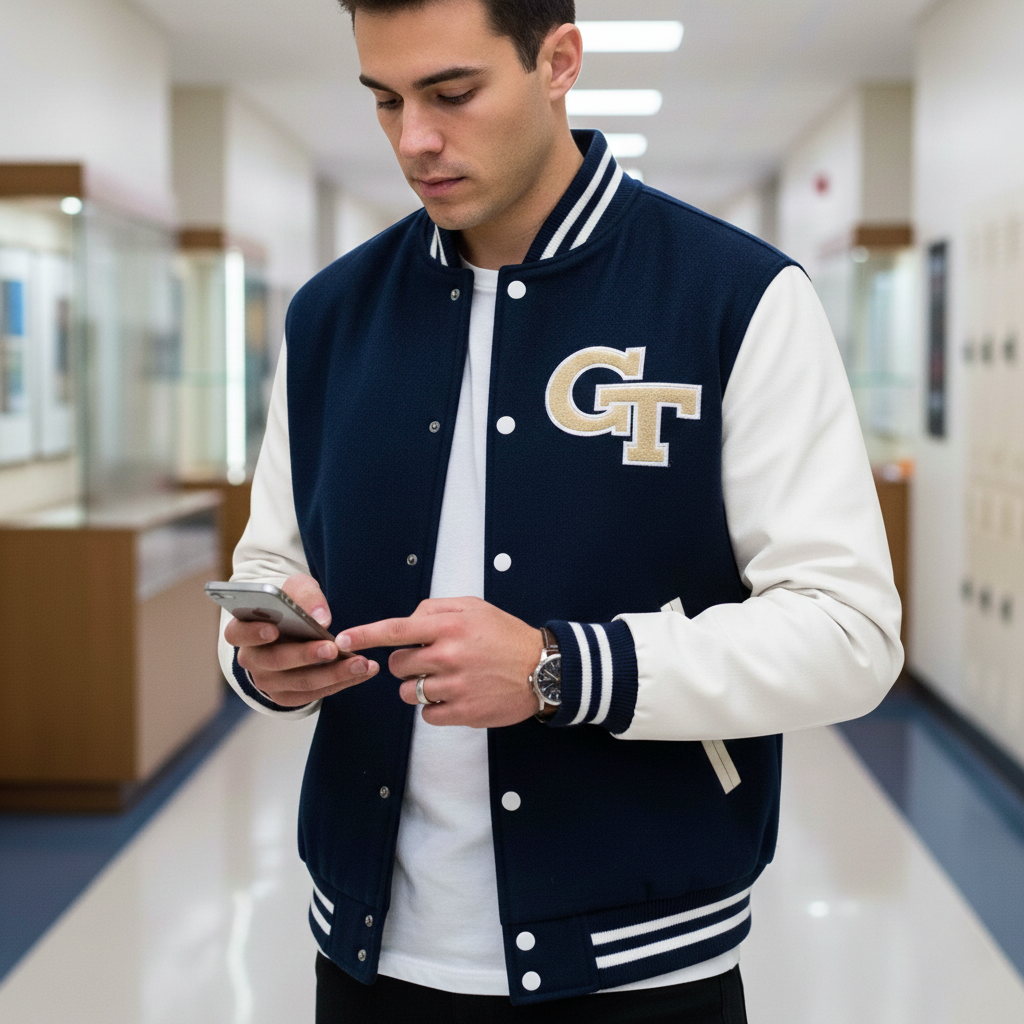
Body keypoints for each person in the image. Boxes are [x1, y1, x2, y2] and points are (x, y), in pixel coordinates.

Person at [219, 1, 903, 1020]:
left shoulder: (734, 297)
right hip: (370, 957)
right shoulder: (331, 316)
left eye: (452, 93)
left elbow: (850, 633)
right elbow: (270, 563)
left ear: (558, 61)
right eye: (385, 100)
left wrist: (558, 668)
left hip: (640, 961)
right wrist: (260, 661)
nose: (415, 138)